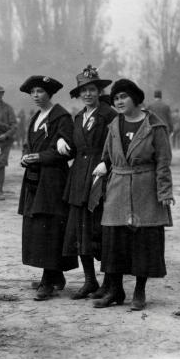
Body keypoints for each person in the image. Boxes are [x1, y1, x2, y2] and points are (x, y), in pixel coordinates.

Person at [91, 79, 174, 311]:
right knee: (114, 240)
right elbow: (107, 154)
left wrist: (165, 191)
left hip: (144, 189)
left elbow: (163, 162)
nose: (119, 101)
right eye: (116, 98)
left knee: (143, 242)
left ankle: (139, 291)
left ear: (136, 99)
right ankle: (115, 290)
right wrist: (104, 166)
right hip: (117, 187)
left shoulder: (155, 126)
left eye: (123, 97)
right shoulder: (114, 126)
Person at [17, 75, 78, 300]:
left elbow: (69, 149)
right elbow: (28, 144)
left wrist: (41, 156)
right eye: (32, 92)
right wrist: (26, 156)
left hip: (53, 180)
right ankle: (56, 276)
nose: (35, 96)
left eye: (40, 92)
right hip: (35, 179)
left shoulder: (61, 117)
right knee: (36, 227)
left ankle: (47, 281)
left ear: (49, 94)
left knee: (50, 226)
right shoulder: (35, 117)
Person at [60, 66, 115, 300]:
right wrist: (63, 142)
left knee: (102, 232)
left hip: (101, 178)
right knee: (80, 230)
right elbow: (75, 147)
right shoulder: (79, 117)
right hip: (79, 178)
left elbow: (118, 145)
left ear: (99, 91)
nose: (88, 94)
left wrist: (107, 163)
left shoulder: (110, 115)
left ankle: (109, 283)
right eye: (84, 90)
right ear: (79, 94)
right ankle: (90, 280)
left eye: (92, 89)